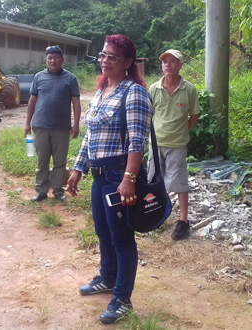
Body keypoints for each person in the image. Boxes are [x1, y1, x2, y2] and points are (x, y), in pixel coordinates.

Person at [67, 34, 153, 324]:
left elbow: (137, 142)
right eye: (102, 55)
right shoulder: (102, 91)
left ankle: (122, 298)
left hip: (119, 175)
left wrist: (128, 179)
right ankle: (107, 278)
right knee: (103, 232)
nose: (104, 61)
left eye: (112, 57)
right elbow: (91, 136)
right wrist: (78, 168)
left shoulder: (134, 93)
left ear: (129, 62)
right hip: (99, 174)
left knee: (121, 238)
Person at [148, 49, 199, 240]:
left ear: (180, 66)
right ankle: (155, 214)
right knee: (154, 181)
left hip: (177, 144)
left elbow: (194, 115)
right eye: (164, 62)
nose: (167, 65)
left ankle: (183, 222)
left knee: (179, 183)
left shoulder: (189, 89)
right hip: (156, 144)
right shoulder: (153, 89)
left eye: (172, 61)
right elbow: (148, 115)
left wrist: (183, 131)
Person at [25, 45, 81, 202]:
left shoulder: (70, 78)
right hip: (40, 126)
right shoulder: (39, 77)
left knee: (59, 161)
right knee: (42, 161)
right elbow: (32, 101)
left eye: (56, 58)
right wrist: (27, 123)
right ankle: (41, 191)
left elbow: (76, 103)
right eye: (50, 58)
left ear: (62, 60)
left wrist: (76, 124)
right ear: (46, 60)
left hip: (62, 128)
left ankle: (58, 191)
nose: (53, 61)